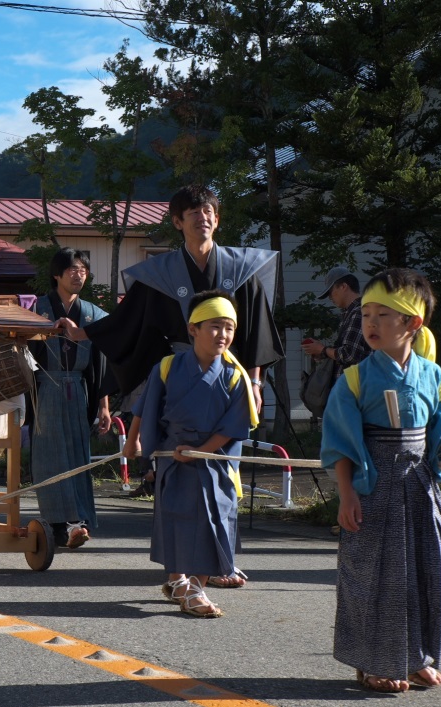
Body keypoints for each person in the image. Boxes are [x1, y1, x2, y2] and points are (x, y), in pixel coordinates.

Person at [60, 185, 283, 583]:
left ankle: (220, 562)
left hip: (229, 378)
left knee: (222, 476)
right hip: (181, 380)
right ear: (178, 222)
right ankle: (181, 568)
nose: (204, 217)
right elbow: (129, 324)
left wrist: (254, 381)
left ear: (218, 218)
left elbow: (254, 333)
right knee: (180, 477)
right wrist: (86, 335)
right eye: (193, 212)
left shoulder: (240, 268)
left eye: (210, 210)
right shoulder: (160, 274)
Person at [320, 268, 441, 693]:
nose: (370, 323)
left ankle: (415, 655)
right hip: (374, 488)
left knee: (430, 573)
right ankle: (374, 662)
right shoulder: (354, 378)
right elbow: (342, 444)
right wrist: (346, 494)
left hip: (421, 487)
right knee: (376, 578)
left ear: (412, 324)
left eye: (384, 315)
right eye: (366, 313)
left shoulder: (433, 375)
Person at [124, 290, 259, 617]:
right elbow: (146, 408)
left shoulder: (235, 375)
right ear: (193, 328)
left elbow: (232, 426)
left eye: (229, 327)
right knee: (177, 519)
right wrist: (133, 443)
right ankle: (177, 581)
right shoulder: (168, 367)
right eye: (215, 326)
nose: (223, 334)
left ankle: (196, 586)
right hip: (173, 457)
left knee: (214, 519)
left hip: (213, 459)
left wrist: (201, 451)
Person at [30, 248, 111, 548]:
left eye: (83, 270)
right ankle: (57, 523)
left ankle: (78, 521)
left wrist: (104, 406)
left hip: (78, 389)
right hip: (45, 388)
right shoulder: (36, 309)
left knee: (78, 455)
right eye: (72, 269)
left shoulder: (94, 314)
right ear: (57, 274)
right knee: (50, 457)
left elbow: (101, 364)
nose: (78, 274)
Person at [303, 265, 371, 378]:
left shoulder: (358, 312)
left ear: (344, 286)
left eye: (330, 291)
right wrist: (322, 352)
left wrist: (322, 349)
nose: (330, 297)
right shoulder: (352, 312)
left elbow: (349, 355)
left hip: (355, 388)